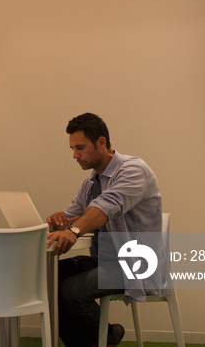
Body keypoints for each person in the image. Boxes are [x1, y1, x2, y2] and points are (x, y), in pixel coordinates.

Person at [46, 113, 164, 347]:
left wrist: (74, 230)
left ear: (101, 142)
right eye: (72, 148)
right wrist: (60, 222)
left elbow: (106, 207)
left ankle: (106, 339)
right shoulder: (91, 182)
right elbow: (75, 214)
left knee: (71, 292)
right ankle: (107, 336)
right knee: (48, 279)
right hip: (105, 261)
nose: (74, 155)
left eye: (80, 148)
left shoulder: (133, 170)